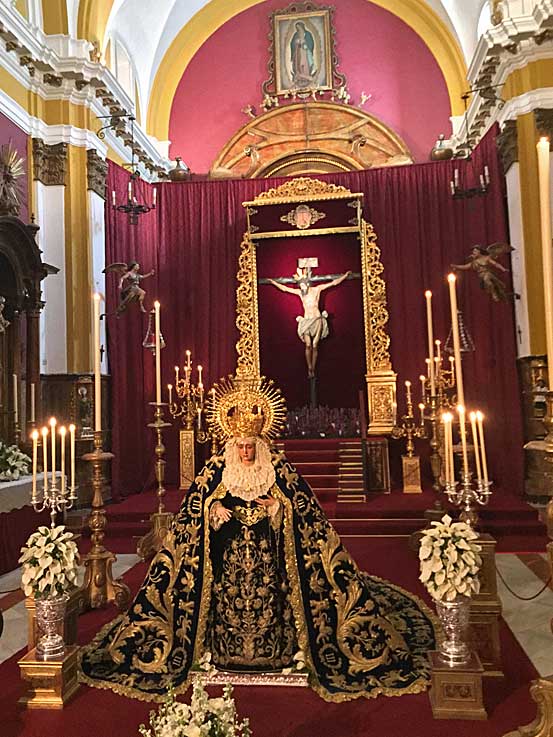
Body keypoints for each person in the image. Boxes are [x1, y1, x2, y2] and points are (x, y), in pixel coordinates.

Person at [80, 376, 435, 702]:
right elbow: (194, 509)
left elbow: (305, 512)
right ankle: (216, 647)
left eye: (250, 446)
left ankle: (284, 649)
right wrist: (213, 509)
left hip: (271, 563)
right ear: (233, 443)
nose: (246, 452)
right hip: (227, 564)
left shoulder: (278, 468)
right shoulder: (216, 469)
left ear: (259, 442)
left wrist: (279, 508)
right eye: (241, 446)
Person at [268, 268, 351, 378]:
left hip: (317, 320)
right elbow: (285, 289)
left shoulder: (317, 289)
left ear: (307, 284)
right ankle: (309, 368)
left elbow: (333, 283)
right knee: (308, 345)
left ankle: (313, 368)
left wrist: (345, 276)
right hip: (306, 321)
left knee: (315, 345)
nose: (302, 288)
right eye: (300, 286)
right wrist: (273, 282)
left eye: (303, 285)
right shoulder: (300, 293)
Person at [290, 21, 315, 87]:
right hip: (298, 52)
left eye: (299, 28)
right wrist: (296, 42)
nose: (298, 29)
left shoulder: (308, 34)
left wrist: (304, 43)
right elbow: (292, 44)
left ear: (302, 27)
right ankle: (299, 75)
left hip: (305, 52)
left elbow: (311, 43)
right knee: (298, 63)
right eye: (297, 28)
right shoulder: (296, 34)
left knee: (304, 63)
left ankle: (306, 75)